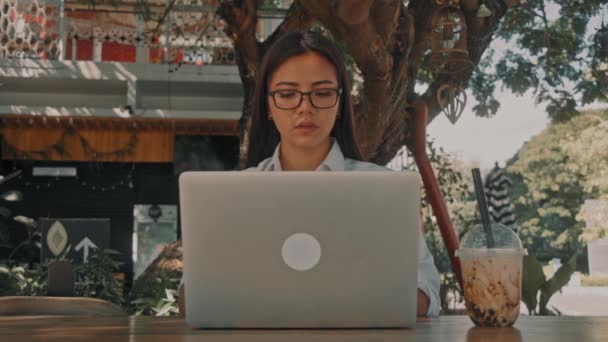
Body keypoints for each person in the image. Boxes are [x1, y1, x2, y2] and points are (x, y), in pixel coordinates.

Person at [179, 31, 440, 317]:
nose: (305, 108)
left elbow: (423, 295)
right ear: (268, 105)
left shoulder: (387, 190)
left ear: (340, 102)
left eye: (323, 93)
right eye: (288, 94)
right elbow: (193, 296)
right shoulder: (230, 198)